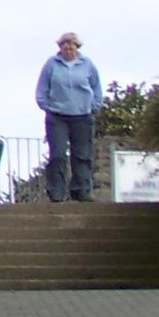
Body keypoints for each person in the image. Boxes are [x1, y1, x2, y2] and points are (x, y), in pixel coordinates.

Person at [35, 31, 102, 201]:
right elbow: (42, 88)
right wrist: (45, 106)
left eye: (71, 45)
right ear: (60, 47)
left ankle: (82, 190)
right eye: (64, 45)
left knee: (82, 155)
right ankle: (56, 191)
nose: (68, 48)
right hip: (57, 116)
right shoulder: (51, 64)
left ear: (77, 47)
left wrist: (94, 106)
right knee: (57, 154)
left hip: (82, 116)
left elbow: (96, 88)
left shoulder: (88, 65)